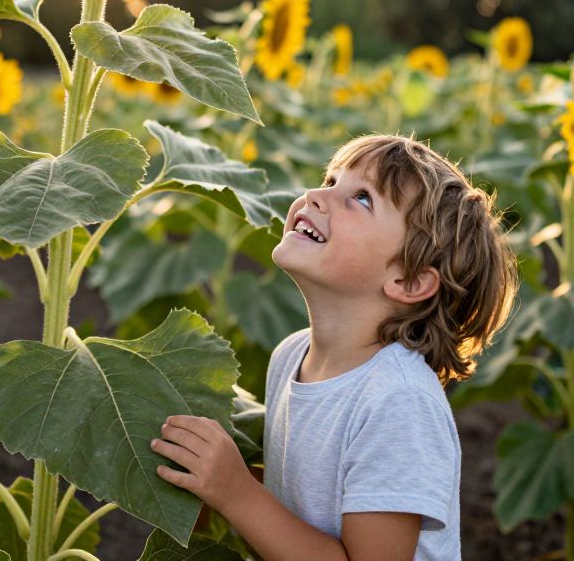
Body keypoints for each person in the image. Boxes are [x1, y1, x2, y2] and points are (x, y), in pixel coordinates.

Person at [150, 133, 519, 561]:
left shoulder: (399, 402)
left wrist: (236, 492)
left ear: (409, 281)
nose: (316, 196)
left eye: (361, 198)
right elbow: (300, 505)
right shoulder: (291, 355)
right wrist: (213, 476)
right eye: (330, 180)